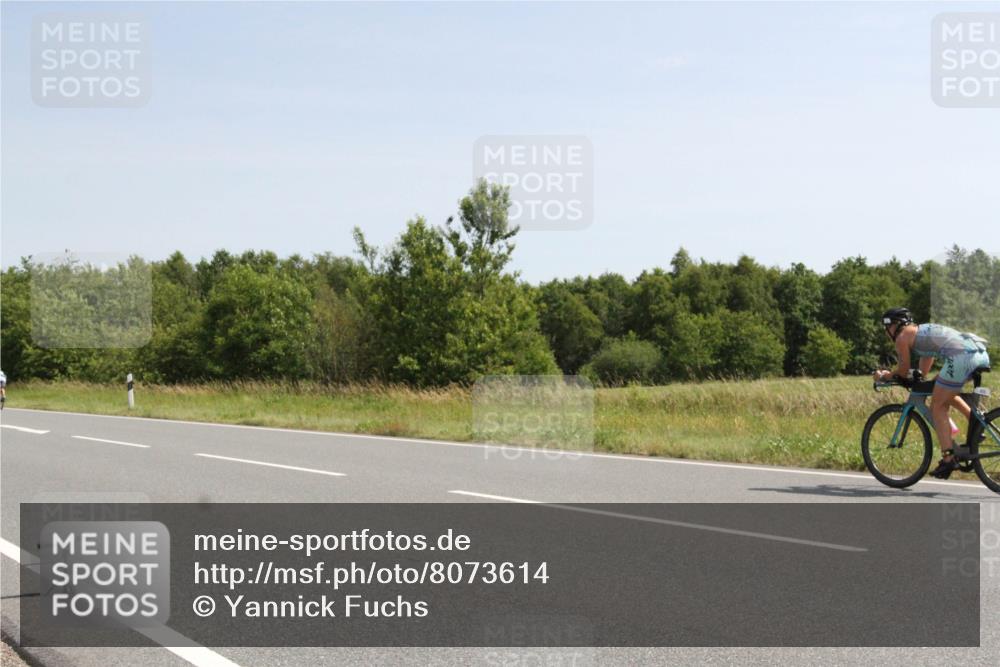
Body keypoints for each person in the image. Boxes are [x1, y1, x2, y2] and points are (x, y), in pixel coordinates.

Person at [873, 308, 991, 479]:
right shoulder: (921, 331)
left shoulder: (901, 337)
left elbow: (903, 368)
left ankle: (949, 458)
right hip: (978, 353)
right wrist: (921, 376)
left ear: (894, 325)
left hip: (961, 357)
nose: (886, 333)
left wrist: (885, 375)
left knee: (937, 405)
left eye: (887, 328)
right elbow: (927, 360)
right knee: (942, 391)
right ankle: (977, 425)